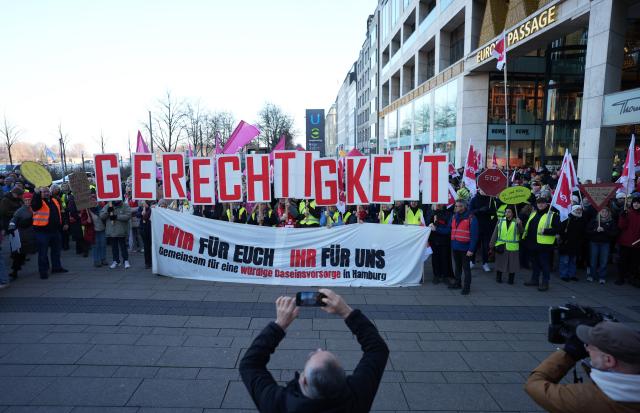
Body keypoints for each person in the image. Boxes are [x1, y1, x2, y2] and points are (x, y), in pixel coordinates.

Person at [239, 289, 389, 413]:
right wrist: (346, 311)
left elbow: (249, 364)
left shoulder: (279, 404)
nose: (317, 349)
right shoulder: (356, 397)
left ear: (303, 380)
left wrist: (279, 324)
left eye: (312, 356)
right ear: (343, 378)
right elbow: (377, 349)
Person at [524, 321, 640, 413]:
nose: (587, 348)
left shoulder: (583, 399)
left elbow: (534, 384)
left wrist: (569, 353)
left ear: (608, 360)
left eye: (590, 346)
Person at [523, 196, 559, 291]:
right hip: (532, 243)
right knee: (535, 263)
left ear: (547, 204)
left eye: (543, 203)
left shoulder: (553, 215)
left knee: (544, 264)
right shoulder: (533, 213)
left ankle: (545, 282)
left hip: (545, 245)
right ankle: (534, 280)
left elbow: (558, 229)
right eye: (539, 203)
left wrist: (546, 231)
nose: (540, 205)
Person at [31, 186, 68, 279]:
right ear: (40, 193)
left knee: (56, 251)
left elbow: (61, 212)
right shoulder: (38, 201)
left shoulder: (54, 200)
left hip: (55, 231)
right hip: (42, 231)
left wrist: (64, 223)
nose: (46, 193)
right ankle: (43, 271)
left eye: (47, 191)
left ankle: (56, 267)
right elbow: (35, 206)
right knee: (43, 253)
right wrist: (36, 194)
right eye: (44, 192)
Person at [449, 199, 479, 295]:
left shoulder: (471, 218)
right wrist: (436, 228)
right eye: (456, 206)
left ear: (463, 207)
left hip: (465, 249)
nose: (456, 207)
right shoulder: (454, 217)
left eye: (458, 206)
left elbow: (474, 236)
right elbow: (449, 229)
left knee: (466, 269)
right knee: (457, 267)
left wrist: (471, 249)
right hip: (455, 247)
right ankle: (457, 283)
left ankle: (467, 287)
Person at [489, 205, 522, 284]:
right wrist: (491, 244)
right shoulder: (500, 220)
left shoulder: (517, 221)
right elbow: (495, 233)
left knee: (512, 264)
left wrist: (520, 224)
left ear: (513, 213)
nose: (507, 213)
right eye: (506, 211)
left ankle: (511, 280)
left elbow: (520, 232)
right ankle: (498, 277)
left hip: (512, 247)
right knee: (500, 262)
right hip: (501, 245)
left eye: (509, 212)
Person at [587, 207, 619, 284]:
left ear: (608, 213)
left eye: (605, 212)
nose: (604, 213)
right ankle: (592, 275)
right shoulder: (594, 221)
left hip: (605, 243)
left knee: (603, 261)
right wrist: (595, 230)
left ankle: (602, 276)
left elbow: (614, 233)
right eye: (602, 211)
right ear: (599, 213)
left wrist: (605, 230)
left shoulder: (611, 222)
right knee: (593, 260)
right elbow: (587, 231)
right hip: (594, 242)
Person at [7, 192, 35, 280]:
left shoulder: (35, 208)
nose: (27, 202)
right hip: (23, 234)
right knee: (19, 254)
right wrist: (11, 227)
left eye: (29, 200)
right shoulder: (20, 210)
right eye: (26, 200)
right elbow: (13, 220)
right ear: (23, 201)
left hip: (33, 234)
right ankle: (15, 271)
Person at [469, 189, 496, 272]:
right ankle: (472, 261)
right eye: (482, 189)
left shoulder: (490, 199)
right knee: (475, 245)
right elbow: (470, 211)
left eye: (484, 190)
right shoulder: (474, 199)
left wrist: (489, 211)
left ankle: (485, 263)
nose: (483, 191)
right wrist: (479, 210)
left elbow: (494, 213)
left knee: (485, 246)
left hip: (486, 227)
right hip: (476, 226)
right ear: (479, 190)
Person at [425, 204, 453, 284]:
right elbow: (427, 223)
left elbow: (448, 229)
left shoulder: (448, 214)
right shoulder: (431, 212)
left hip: (444, 240)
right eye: (436, 203)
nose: (438, 205)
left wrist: (437, 229)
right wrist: (431, 218)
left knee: (444, 258)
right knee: (435, 259)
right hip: (434, 240)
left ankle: (445, 276)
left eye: (440, 203)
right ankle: (436, 275)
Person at [558, 205, 587, 282]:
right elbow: (561, 230)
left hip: (576, 244)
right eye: (577, 209)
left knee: (573, 260)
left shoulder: (582, 219)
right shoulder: (567, 218)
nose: (578, 211)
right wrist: (565, 239)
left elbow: (583, 232)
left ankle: (572, 275)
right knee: (565, 260)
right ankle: (563, 275)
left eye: (580, 210)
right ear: (573, 210)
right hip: (566, 243)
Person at [100, 200, 132, 269]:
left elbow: (128, 215)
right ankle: (116, 261)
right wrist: (108, 212)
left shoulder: (125, 205)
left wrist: (117, 217)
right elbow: (102, 216)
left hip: (122, 230)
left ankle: (126, 260)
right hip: (112, 230)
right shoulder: (108, 205)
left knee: (123, 246)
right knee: (114, 247)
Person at [616, 196, 640, 286]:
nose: (636, 204)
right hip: (625, 242)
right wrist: (622, 217)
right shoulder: (628, 213)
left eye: (638, 203)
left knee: (634, 263)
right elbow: (621, 226)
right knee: (623, 261)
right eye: (634, 203)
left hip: (637, 243)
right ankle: (620, 278)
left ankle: (632, 278)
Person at [83, 197, 106, 267]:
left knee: (103, 245)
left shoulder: (101, 208)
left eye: (94, 200)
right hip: (93, 231)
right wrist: (87, 221)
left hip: (102, 230)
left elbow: (105, 217)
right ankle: (96, 261)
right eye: (91, 200)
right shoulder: (86, 210)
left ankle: (103, 259)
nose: (93, 202)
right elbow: (82, 221)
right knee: (95, 246)